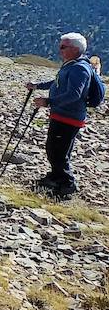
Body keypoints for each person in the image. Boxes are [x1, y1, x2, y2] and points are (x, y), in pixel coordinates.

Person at [25, 32, 104, 198]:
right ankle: (56, 177)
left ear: (75, 49)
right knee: (54, 149)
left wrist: (48, 102)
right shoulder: (72, 65)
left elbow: (74, 94)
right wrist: (37, 86)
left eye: (63, 46)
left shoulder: (79, 68)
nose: (59, 50)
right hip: (63, 115)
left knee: (59, 151)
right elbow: (58, 82)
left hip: (69, 117)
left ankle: (67, 184)